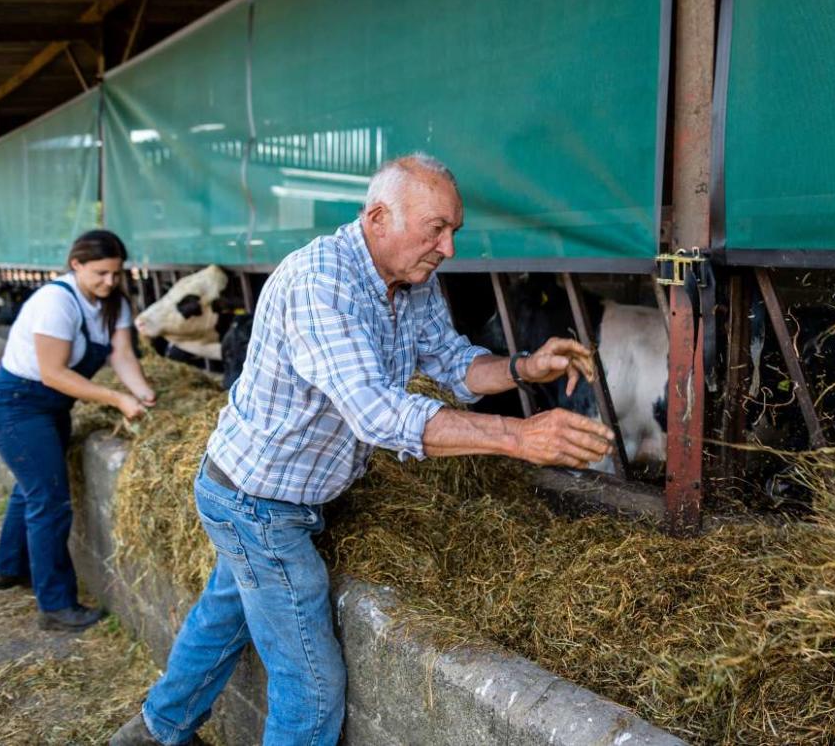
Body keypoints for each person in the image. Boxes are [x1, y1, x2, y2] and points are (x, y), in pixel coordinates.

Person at [111, 154, 613, 746]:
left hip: (280, 494)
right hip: (254, 501)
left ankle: (154, 729)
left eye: (454, 231)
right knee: (313, 686)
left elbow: (452, 363)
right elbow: (378, 414)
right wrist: (519, 438)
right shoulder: (321, 283)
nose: (447, 248)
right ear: (379, 217)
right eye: (436, 229)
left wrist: (527, 367)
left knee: (226, 616)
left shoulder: (409, 280)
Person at [0, 229, 155, 631]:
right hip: (17, 405)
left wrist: (143, 393)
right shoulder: (55, 302)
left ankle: (9, 569)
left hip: (51, 406)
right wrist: (116, 400)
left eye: (115, 273)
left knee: (32, 490)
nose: (109, 282)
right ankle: (56, 606)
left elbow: (123, 355)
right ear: (76, 264)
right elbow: (53, 373)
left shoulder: (114, 303)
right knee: (50, 499)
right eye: (99, 273)